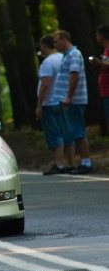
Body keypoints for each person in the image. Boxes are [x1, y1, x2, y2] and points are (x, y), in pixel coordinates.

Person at [53, 30, 91, 174]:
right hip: (68, 100)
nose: (55, 45)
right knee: (73, 132)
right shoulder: (67, 55)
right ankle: (82, 162)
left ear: (64, 39)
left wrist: (69, 96)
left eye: (56, 42)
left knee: (78, 131)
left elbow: (74, 75)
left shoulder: (74, 55)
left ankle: (86, 162)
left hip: (73, 100)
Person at [35, 35, 74, 175]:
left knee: (55, 133)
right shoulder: (63, 58)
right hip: (64, 100)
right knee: (67, 132)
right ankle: (71, 162)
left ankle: (59, 164)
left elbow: (45, 85)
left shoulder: (47, 62)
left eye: (41, 45)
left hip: (50, 102)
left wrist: (39, 105)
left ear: (44, 46)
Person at [88, 24, 109, 120]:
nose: (96, 38)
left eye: (97, 35)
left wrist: (100, 63)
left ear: (101, 35)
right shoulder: (106, 50)